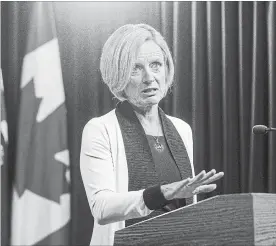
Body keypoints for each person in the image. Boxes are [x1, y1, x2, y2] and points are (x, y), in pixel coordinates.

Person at [80, 24, 224, 246]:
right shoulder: (101, 129)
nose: (149, 77)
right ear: (118, 74)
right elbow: (102, 207)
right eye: (136, 68)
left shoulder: (182, 129)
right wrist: (162, 192)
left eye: (156, 65)